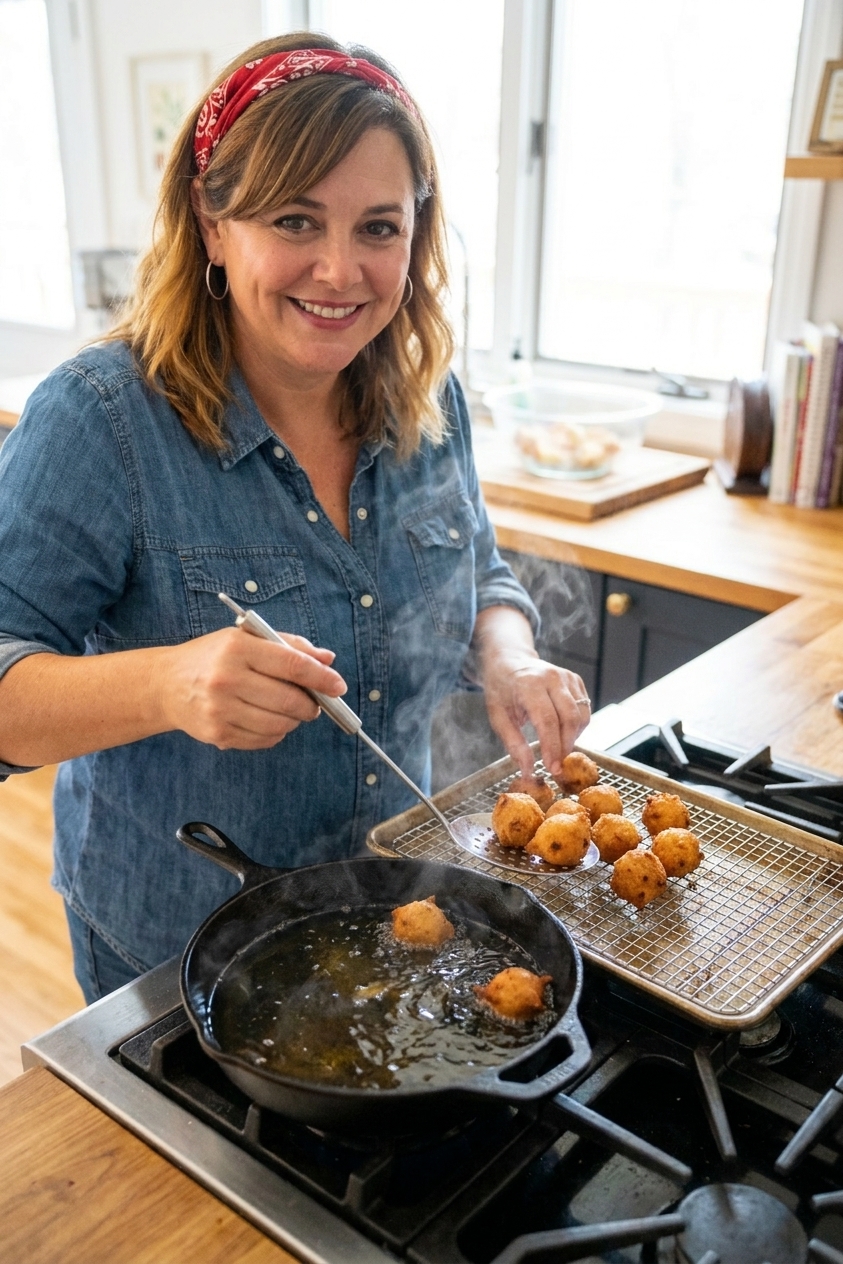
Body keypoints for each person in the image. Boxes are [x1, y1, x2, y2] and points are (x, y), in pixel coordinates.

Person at [0, 34, 591, 1003]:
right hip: (179, 937)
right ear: (211, 221)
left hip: (393, 903)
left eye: (378, 228)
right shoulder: (99, 418)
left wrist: (512, 655)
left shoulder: (428, 399)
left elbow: (480, 571)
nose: (339, 271)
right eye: (295, 219)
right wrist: (168, 682)